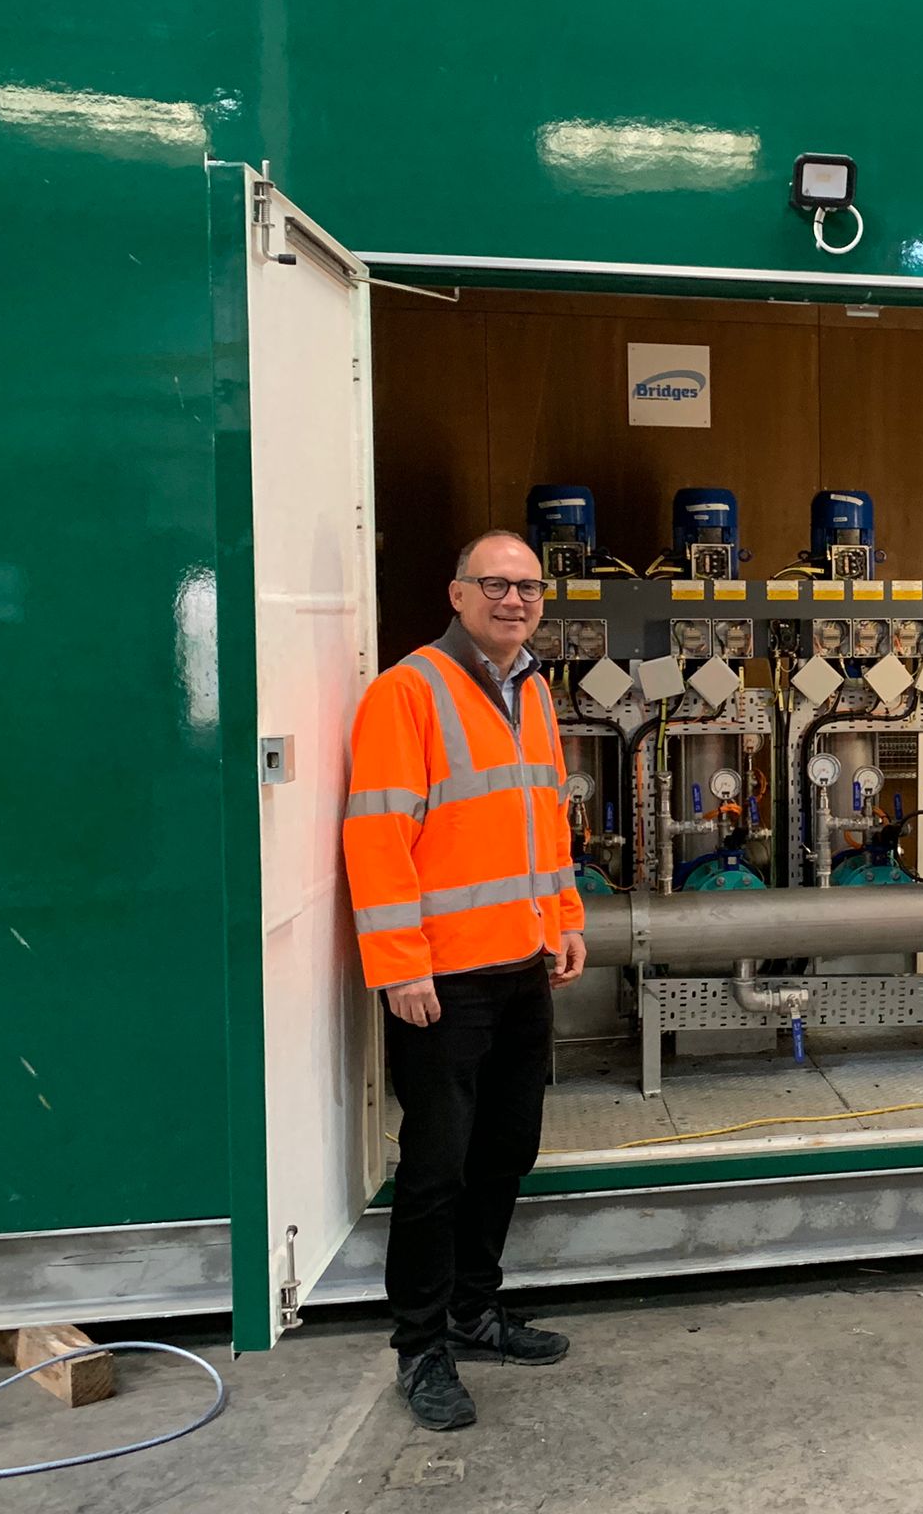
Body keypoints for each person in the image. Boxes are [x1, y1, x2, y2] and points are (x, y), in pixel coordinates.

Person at [343, 530, 588, 1432]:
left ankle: (475, 1310)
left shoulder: (533, 691)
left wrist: (564, 921)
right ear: (456, 593)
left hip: (523, 964)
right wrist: (400, 967)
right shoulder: (407, 692)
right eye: (495, 584)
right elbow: (375, 839)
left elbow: (547, 823)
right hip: (442, 982)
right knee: (436, 1169)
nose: (514, 600)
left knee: (507, 1149)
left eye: (527, 587)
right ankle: (420, 1348)